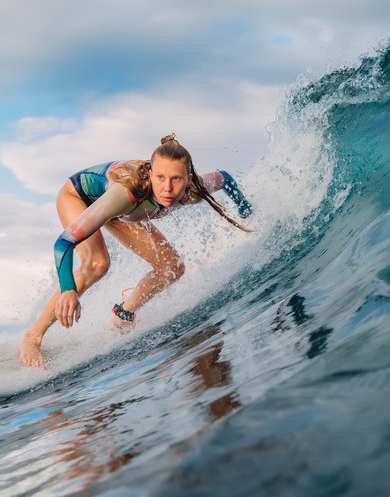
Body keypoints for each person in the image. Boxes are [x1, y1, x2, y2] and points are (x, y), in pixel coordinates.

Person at [18, 134, 254, 368]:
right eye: (160, 178)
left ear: (188, 178)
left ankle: (123, 314)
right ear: (150, 174)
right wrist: (69, 290)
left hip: (122, 209)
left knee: (172, 267)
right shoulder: (128, 192)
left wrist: (246, 208)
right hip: (79, 195)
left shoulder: (193, 191)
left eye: (176, 179)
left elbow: (225, 178)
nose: (168, 188)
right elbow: (63, 243)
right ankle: (32, 336)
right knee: (97, 264)